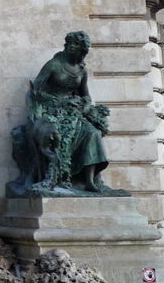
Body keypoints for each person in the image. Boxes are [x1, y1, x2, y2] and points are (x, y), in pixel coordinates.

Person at [7, 31, 120, 196]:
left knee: (92, 134)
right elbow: (35, 89)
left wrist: (87, 105)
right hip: (50, 110)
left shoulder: (82, 71)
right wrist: (47, 103)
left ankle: (89, 180)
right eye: (70, 43)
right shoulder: (53, 65)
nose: (71, 46)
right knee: (55, 135)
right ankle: (53, 177)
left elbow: (85, 94)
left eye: (76, 45)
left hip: (74, 112)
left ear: (83, 50)